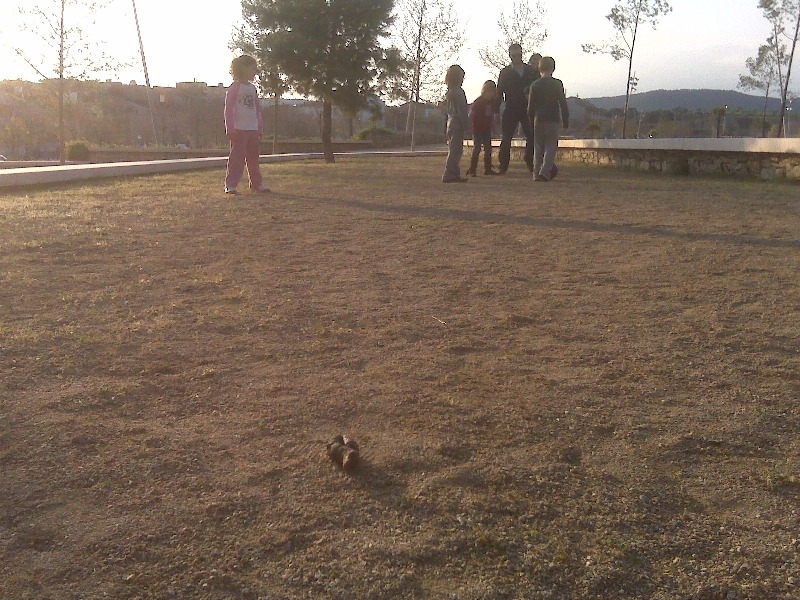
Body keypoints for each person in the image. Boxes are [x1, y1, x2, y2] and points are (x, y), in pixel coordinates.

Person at [224, 54, 270, 195]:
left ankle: (256, 183)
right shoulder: (234, 88)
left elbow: (257, 109)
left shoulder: (253, 89)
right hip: (239, 129)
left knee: (253, 158)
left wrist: (259, 127)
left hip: (253, 129)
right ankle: (231, 185)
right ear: (243, 68)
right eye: (252, 68)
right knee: (237, 159)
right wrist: (230, 128)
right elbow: (228, 109)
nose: (255, 71)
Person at [495, 43, 538, 174]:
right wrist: (496, 111)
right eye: (514, 55)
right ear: (510, 56)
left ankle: (530, 162)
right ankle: (503, 166)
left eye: (518, 54)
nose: (516, 57)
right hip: (511, 107)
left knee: (532, 137)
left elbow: (537, 88)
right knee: (506, 138)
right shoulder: (505, 72)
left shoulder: (531, 71)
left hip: (528, 108)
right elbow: (499, 92)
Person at [527, 56, 569, 182]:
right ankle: (545, 172)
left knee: (538, 147)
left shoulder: (535, 85)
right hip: (553, 118)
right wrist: (565, 120)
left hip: (539, 118)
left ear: (539, 68)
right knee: (551, 146)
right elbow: (563, 103)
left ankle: (535, 173)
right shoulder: (557, 84)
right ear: (553, 68)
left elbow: (530, 107)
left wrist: (530, 122)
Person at [442, 64, 469, 183]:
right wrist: (467, 126)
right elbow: (462, 111)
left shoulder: (449, 92)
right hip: (457, 124)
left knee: (454, 149)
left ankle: (454, 173)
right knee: (456, 151)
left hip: (450, 123)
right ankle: (450, 173)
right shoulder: (458, 92)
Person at [466, 80, 499, 177]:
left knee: (488, 149)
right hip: (477, 129)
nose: (490, 95)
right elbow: (471, 115)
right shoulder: (478, 102)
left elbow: (491, 116)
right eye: (489, 92)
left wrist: (493, 126)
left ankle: (488, 169)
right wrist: (470, 127)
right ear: (484, 91)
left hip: (486, 129)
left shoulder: (492, 103)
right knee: (477, 148)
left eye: (492, 92)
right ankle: (472, 169)